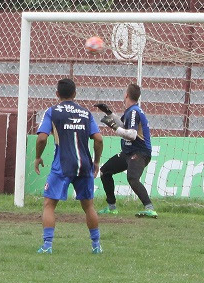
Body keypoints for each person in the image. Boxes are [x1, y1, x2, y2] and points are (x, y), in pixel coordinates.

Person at [33, 77, 104, 254]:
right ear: (75, 93)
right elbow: (98, 139)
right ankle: (96, 246)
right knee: (89, 206)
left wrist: (38, 157)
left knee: (49, 204)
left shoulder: (52, 112)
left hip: (62, 165)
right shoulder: (86, 113)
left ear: (57, 94)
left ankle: (47, 246)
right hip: (84, 165)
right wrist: (96, 162)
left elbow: (42, 138)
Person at [98, 82, 157, 218]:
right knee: (105, 172)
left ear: (126, 95)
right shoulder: (131, 111)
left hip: (140, 152)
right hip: (129, 153)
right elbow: (124, 126)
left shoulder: (134, 112)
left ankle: (150, 208)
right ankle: (111, 207)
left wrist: (113, 127)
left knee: (132, 178)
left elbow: (131, 134)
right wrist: (109, 113)